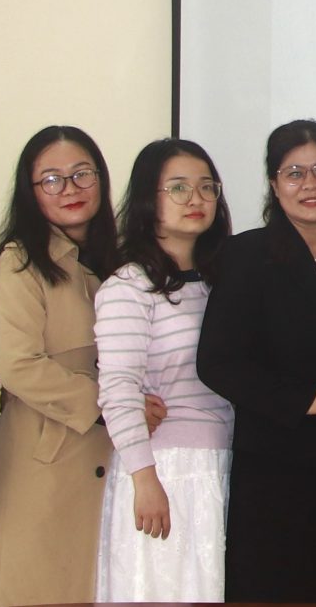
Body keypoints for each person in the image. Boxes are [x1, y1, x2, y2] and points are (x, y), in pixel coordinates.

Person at [196, 119, 316, 603]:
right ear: (274, 185)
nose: (310, 184)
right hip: (279, 465)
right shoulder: (245, 254)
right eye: (294, 173)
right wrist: (308, 399)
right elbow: (217, 361)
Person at [0, 126, 120, 607]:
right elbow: (18, 366)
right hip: (42, 461)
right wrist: (113, 405)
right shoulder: (20, 260)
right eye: (52, 180)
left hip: (110, 461)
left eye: (82, 174)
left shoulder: (120, 259)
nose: (70, 189)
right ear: (31, 191)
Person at [93, 139, 236, 602]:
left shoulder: (224, 282)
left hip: (226, 463)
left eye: (207, 187)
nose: (196, 198)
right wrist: (144, 478)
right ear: (147, 199)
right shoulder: (129, 286)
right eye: (178, 187)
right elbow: (118, 387)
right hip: (165, 470)